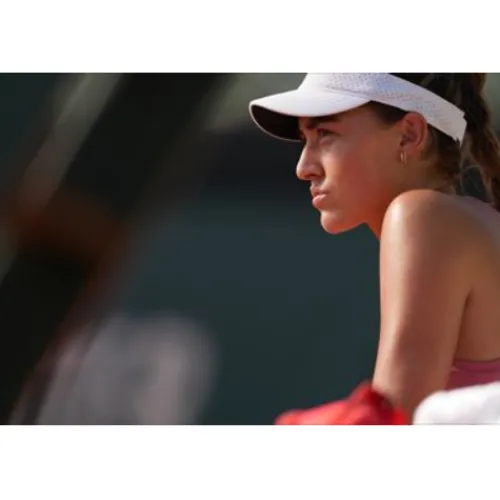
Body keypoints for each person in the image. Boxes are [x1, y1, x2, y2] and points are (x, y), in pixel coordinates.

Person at [248, 73, 500, 423]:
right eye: (306, 139)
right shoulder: (464, 223)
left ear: (409, 134)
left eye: (326, 134)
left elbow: (391, 420)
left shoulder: (422, 216)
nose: (303, 168)